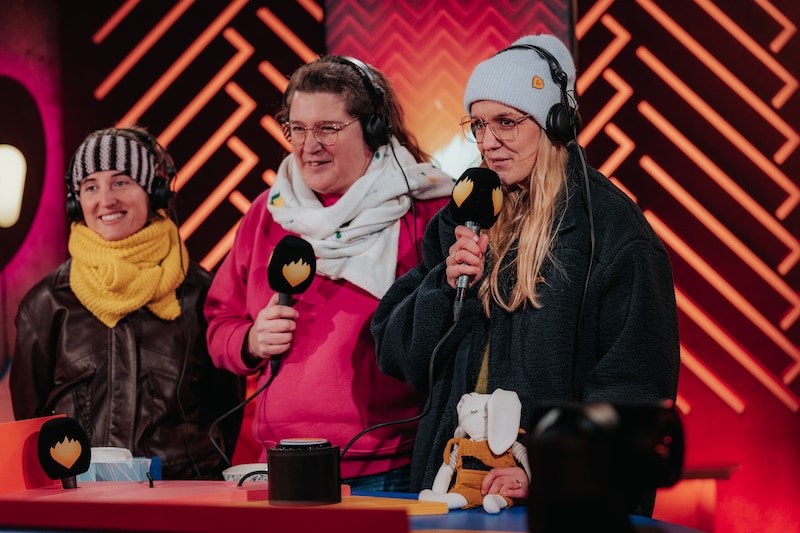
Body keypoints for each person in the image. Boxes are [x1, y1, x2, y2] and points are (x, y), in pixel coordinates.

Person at [371, 34, 680, 515]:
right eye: (478, 125)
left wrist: (551, 470)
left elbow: (635, 391)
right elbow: (396, 354)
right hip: (450, 489)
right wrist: (443, 287)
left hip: (562, 504)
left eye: (506, 123)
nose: (488, 142)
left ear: (555, 123)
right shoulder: (463, 215)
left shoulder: (614, 232)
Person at [203, 55, 454, 491]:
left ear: (375, 127)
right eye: (297, 128)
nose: (308, 145)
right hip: (278, 467)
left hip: (388, 469)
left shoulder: (426, 211)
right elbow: (219, 322)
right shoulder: (268, 213)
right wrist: (249, 340)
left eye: (327, 128)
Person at [10, 126, 242, 480]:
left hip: (184, 502)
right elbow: (31, 424)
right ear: (76, 201)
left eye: (121, 182)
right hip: (81, 510)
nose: (106, 200)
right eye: (90, 187)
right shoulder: (46, 303)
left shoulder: (204, 293)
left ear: (155, 192)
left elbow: (226, 413)